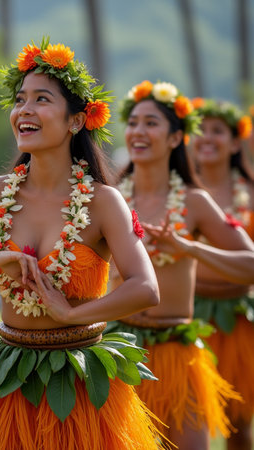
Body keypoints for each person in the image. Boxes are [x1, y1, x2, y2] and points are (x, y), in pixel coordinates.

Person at [0, 38, 166, 450]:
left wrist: (69, 313)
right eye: (19, 99)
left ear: (76, 121)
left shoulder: (102, 201)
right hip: (12, 376)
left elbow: (145, 287)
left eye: (41, 99)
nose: (24, 110)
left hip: (83, 378)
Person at [109, 80, 254, 449]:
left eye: (151, 123)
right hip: (120, 351)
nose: (139, 131)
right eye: (134, 122)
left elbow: (249, 263)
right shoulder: (107, 198)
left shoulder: (194, 201)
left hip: (178, 353)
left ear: (176, 139)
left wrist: (191, 248)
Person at [190, 98, 254, 450]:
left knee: (239, 429)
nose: (208, 138)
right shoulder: (180, 192)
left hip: (239, 324)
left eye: (218, 131)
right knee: (184, 424)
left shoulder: (251, 193)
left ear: (234, 143)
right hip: (190, 315)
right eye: (202, 130)